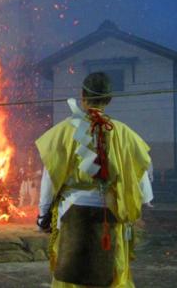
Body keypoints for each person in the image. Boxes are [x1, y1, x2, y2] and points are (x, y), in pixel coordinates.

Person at [36, 72, 153, 288]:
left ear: (82, 96)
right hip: (111, 214)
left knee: (71, 277)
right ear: (108, 99)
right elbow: (142, 183)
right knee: (111, 275)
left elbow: (50, 178)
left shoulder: (64, 131)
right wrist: (138, 204)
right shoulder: (124, 134)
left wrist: (43, 215)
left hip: (72, 215)